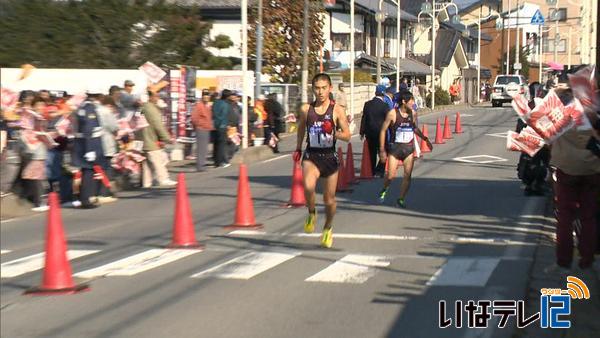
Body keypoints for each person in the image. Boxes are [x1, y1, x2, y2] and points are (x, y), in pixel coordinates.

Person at [545, 88, 600, 274]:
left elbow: (548, 138)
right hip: (592, 169)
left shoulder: (562, 115)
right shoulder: (593, 114)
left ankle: (563, 262)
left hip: (566, 169)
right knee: (588, 217)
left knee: (565, 218)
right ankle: (587, 260)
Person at [294, 73, 351, 248]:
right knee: (308, 187)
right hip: (312, 155)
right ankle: (312, 212)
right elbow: (301, 128)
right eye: (317, 88)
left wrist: (334, 132)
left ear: (330, 89)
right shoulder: (306, 109)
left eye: (324, 88)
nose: (320, 92)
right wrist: (298, 147)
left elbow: (348, 136)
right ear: (313, 89)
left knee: (329, 200)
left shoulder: (337, 110)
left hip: (330, 157)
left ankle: (327, 227)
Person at [377, 90, 432, 208]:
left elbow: (415, 128)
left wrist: (425, 139)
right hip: (395, 149)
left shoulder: (413, 113)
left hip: (408, 149)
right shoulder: (393, 113)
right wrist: (382, 149)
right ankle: (384, 189)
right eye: (411, 100)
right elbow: (383, 130)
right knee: (391, 175)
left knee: (407, 176)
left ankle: (400, 199)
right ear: (403, 101)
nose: (413, 103)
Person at [72, 93, 106, 208]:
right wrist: (90, 149)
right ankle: (86, 199)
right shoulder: (89, 108)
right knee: (88, 171)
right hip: (89, 144)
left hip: (83, 144)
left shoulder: (83, 107)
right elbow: (89, 128)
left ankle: (85, 198)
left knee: (87, 171)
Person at [136, 90, 176, 187]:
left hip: (141, 139)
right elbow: (158, 125)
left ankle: (147, 182)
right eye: (156, 96)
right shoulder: (151, 109)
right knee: (158, 160)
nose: (158, 98)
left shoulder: (142, 108)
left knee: (147, 164)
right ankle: (163, 178)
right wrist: (167, 138)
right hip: (150, 139)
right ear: (151, 97)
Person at [360, 85, 390, 177]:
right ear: (383, 94)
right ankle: (380, 170)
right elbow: (388, 120)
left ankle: (371, 170)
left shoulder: (367, 104)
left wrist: (362, 131)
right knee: (384, 151)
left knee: (371, 152)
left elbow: (364, 118)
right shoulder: (385, 106)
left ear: (375, 93)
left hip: (370, 132)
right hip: (381, 133)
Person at [191, 90, 214, 171]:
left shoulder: (207, 106)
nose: (206, 97)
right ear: (202, 96)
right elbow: (194, 118)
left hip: (206, 128)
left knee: (204, 148)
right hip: (201, 128)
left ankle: (202, 164)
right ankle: (200, 166)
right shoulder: (199, 106)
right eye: (205, 95)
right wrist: (199, 125)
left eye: (207, 95)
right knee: (201, 148)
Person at [211, 89, 232, 168]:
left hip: (214, 125)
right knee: (222, 144)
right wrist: (225, 124)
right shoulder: (225, 104)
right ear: (228, 96)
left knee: (216, 144)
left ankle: (216, 161)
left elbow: (213, 114)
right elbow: (223, 116)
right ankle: (222, 161)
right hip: (222, 125)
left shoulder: (215, 103)